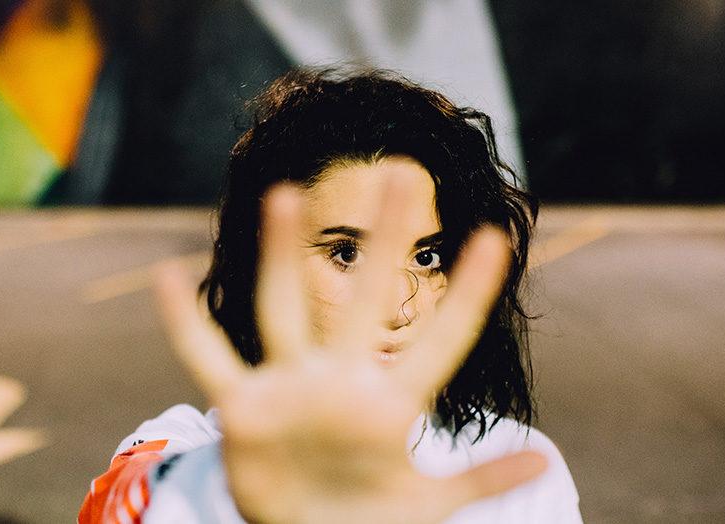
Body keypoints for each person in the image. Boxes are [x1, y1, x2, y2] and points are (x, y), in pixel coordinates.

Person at [79, 68, 582, 523]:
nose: (396, 308)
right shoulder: (190, 453)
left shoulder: (516, 471)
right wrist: (229, 495)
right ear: (260, 265)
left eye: (428, 256)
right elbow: (121, 503)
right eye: (346, 253)